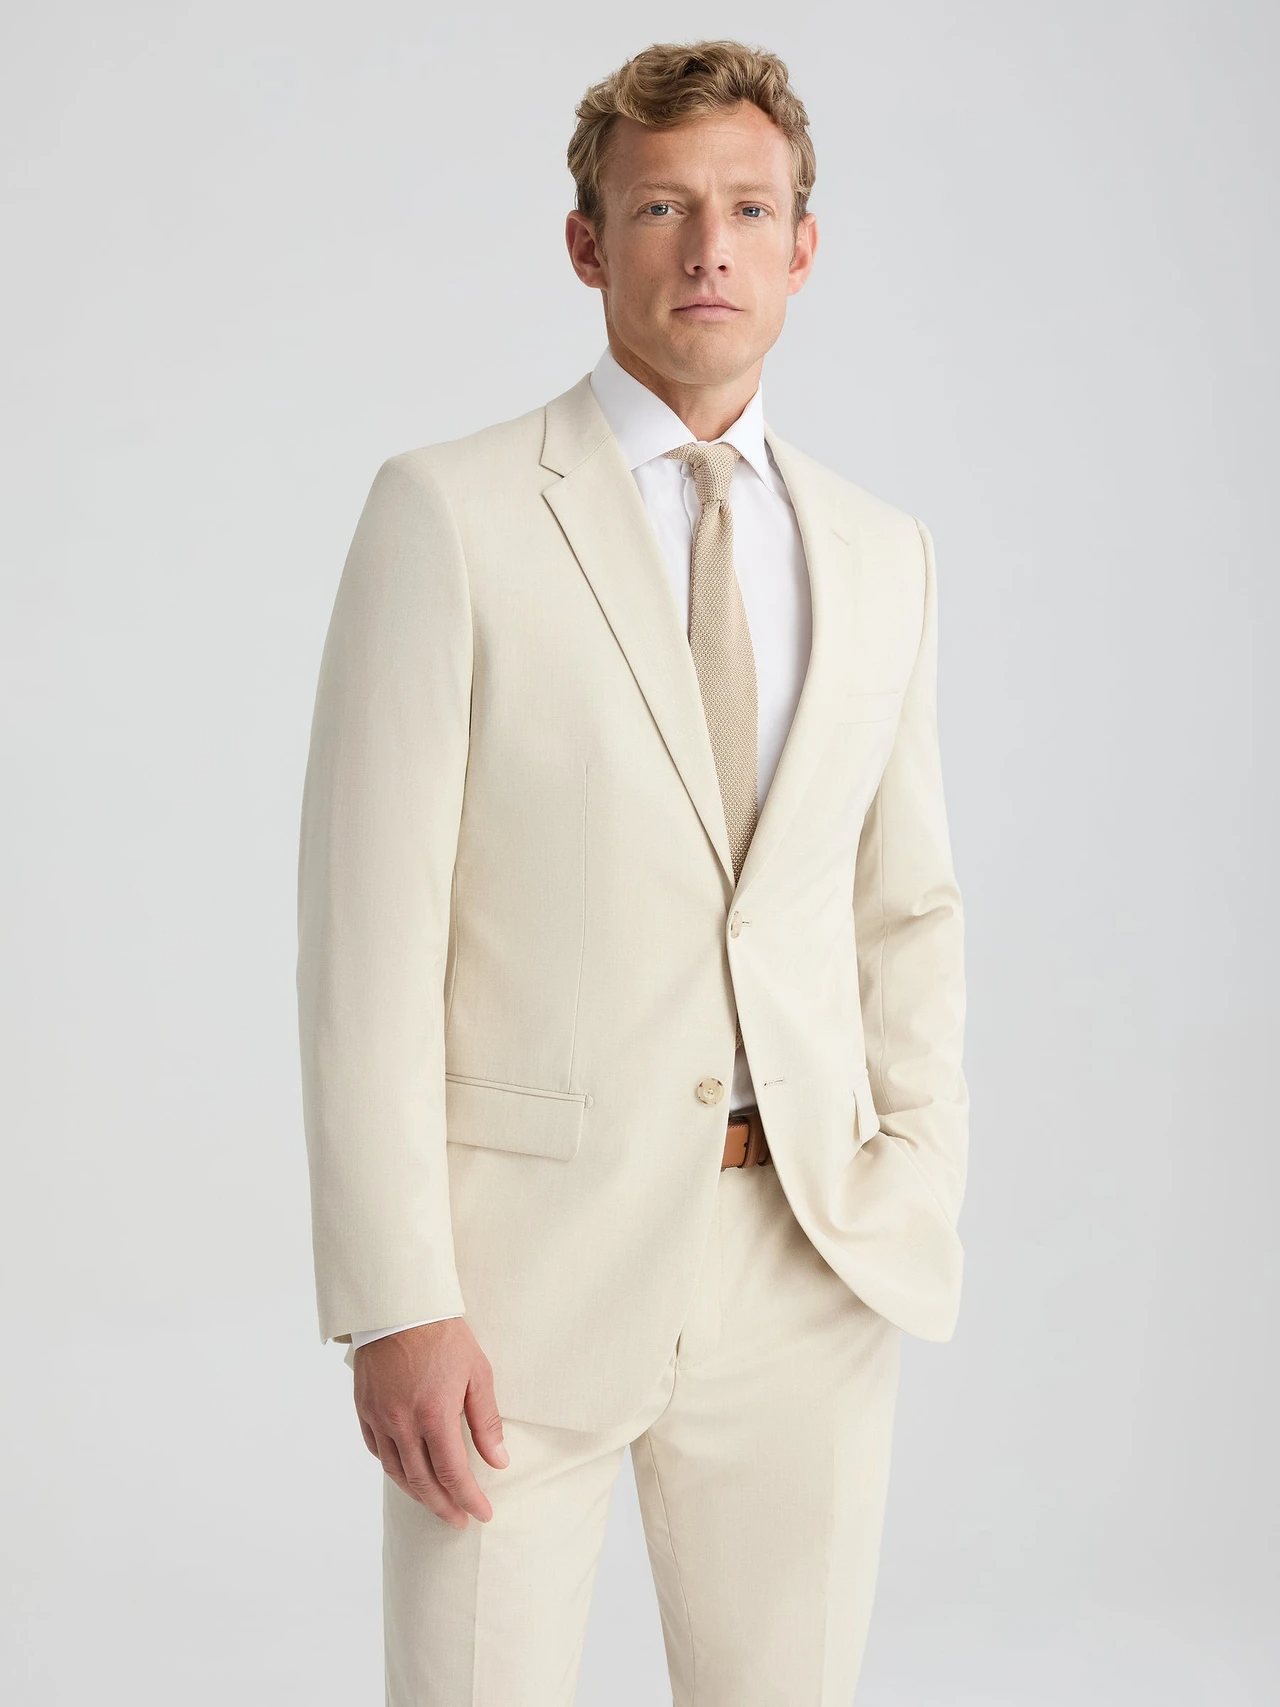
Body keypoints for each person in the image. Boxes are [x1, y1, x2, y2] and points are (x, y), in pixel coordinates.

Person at [297, 38, 968, 1707]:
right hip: (513, 1281)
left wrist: (913, 1171)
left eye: (749, 208)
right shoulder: (448, 515)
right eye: (662, 207)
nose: (709, 247)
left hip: (807, 1257)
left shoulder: (881, 554)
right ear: (588, 242)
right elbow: (367, 937)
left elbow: (904, 906)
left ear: (804, 245)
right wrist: (396, 1295)